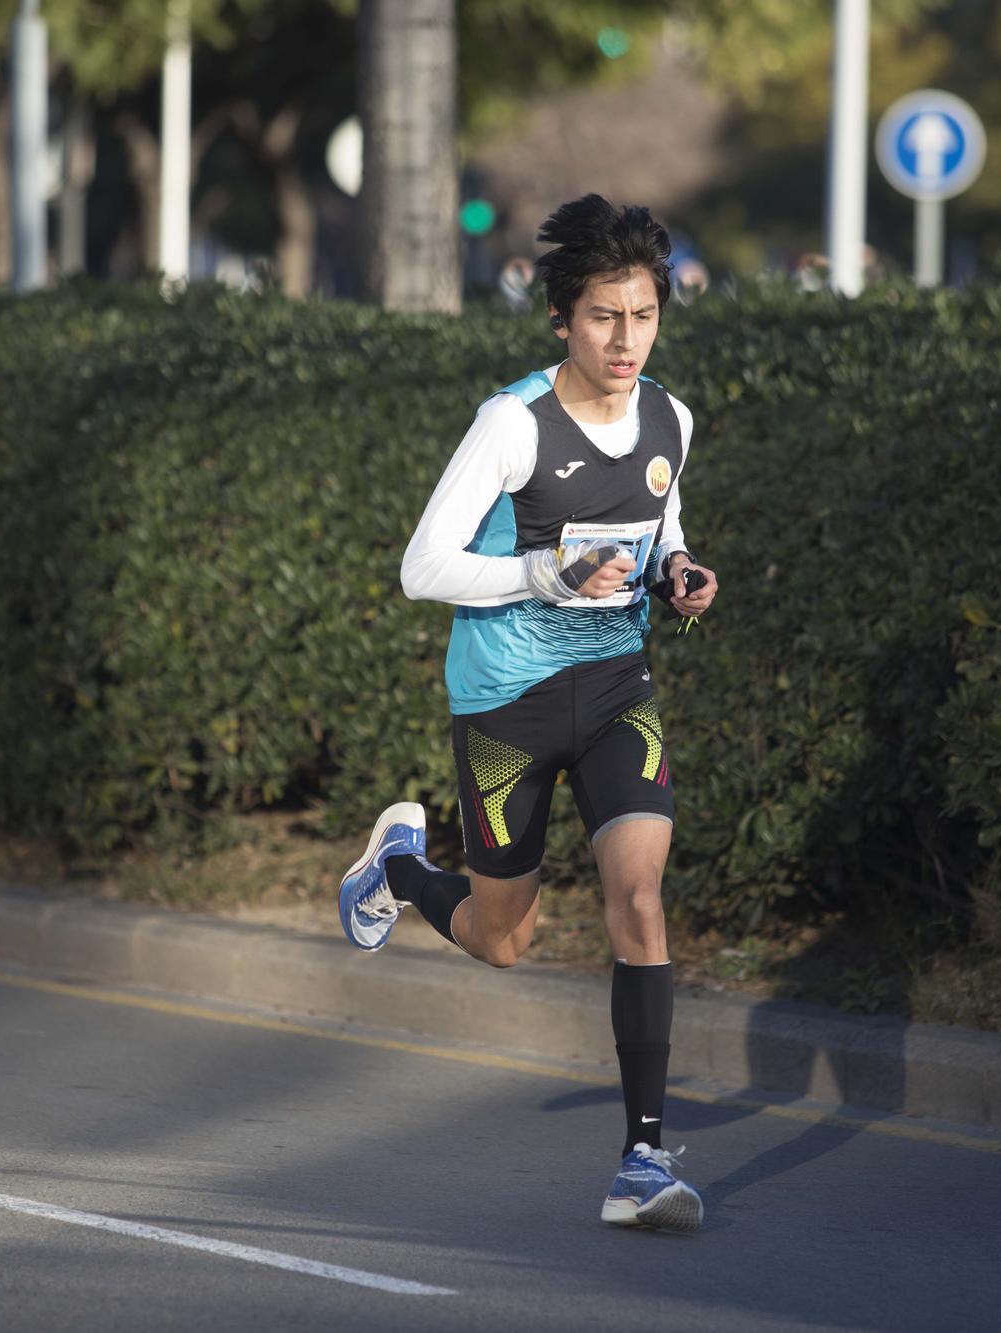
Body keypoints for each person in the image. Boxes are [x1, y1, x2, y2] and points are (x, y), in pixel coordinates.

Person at [335, 194, 718, 1233]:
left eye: (641, 315)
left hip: (613, 693)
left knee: (637, 899)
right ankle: (400, 871)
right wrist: (537, 574)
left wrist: (678, 570)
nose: (624, 339)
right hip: (505, 705)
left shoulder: (670, 420)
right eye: (603, 316)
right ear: (561, 319)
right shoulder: (512, 424)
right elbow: (422, 569)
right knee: (504, 939)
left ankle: (640, 1161)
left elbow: (661, 521)